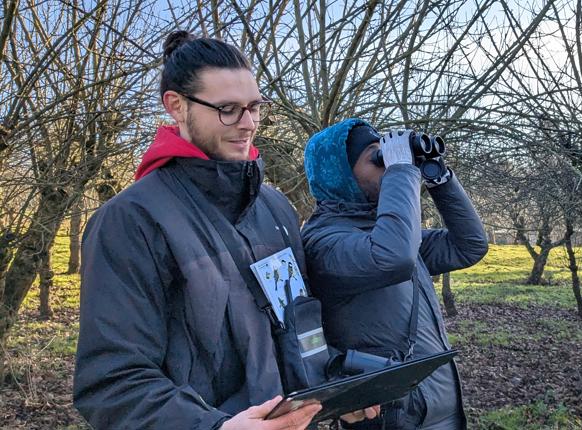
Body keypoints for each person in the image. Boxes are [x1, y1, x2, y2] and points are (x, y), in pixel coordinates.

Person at [73, 32, 376, 429]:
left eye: (254, 107)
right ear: (177, 106)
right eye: (228, 109)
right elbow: (111, 383)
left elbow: (297, 332)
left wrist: (333, 391)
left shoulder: (275, 206)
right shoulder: (131, 220)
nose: (248, 124)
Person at [301, 119, 489, 429]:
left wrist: (440, 179)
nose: (387, 164)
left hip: (442, 406)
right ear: (341, 174)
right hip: (391, 415)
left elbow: (468, 245)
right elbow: (394, 258)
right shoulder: (325, 242)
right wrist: (402, 171)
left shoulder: (391, 233)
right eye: (376, 156)